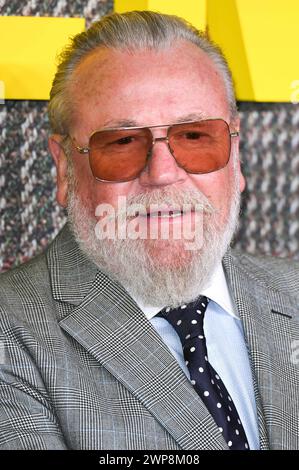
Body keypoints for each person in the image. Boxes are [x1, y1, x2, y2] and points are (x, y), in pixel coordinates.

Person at [0, 10, 298, 451]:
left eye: (195, 137)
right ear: (64, 167)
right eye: (121, 143)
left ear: (236, 153)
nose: (163, 174)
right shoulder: (11, 335)